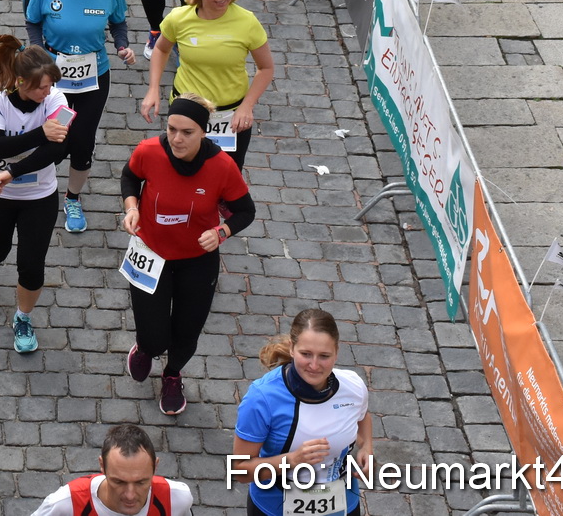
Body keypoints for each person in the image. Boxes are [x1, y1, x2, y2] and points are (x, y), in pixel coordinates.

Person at [119, 92, 253, 415]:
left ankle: (172, 374)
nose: (177, 139)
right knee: (153, 335)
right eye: (171, 129)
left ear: (204, 132)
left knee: (186, 331)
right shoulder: (149, 151)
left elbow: (245, 211)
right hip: (151, 253)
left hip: (197, 260)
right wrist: (131, 207)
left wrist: (221, 232)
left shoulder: (221, 166)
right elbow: (129, 177)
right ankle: (146, 349)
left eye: (187, 132)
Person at [25, 0, 133, 232]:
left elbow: (119, 24)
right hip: (54, 79)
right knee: (54, 136)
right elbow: (33, 21)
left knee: (83, 141)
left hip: (93, 77)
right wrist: (38, 52)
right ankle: (37, 187)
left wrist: (122, 46)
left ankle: (72, 197)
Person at [0, 35, 70, 353]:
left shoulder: (59, 100)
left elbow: (58, 151)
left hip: (39, 194)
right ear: (20, 82)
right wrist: (41, 133)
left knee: (31, 263)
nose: (48, 92)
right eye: (41, 87)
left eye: (50, 85)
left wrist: (14, 171)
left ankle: (23, 317)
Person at [138, 0, 273, 175]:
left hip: (231, 115)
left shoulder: (247, 22)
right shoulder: (179, 18)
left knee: (226, 175)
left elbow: (266, 68)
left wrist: (247, 106)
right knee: (182, 170)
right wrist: (153, 89)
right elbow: (161, 49)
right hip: (187, 110)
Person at [232, 310, 374, 516]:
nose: (314, 365)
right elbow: (240, 470)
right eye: (306, 354)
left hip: (342, 506)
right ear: (292, 348)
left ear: (337, 352)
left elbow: (362, 417)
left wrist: (366, 447)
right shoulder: (261, 398)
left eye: (324, 356)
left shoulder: (353, 386)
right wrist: (292, 460)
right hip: (275, 508)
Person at [27, 425, 195, 516]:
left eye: (141, 482)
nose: (130, 495)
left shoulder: (177, 499)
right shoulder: (65, 505)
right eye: (119, 481)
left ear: (155, 467)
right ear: (102, 466)